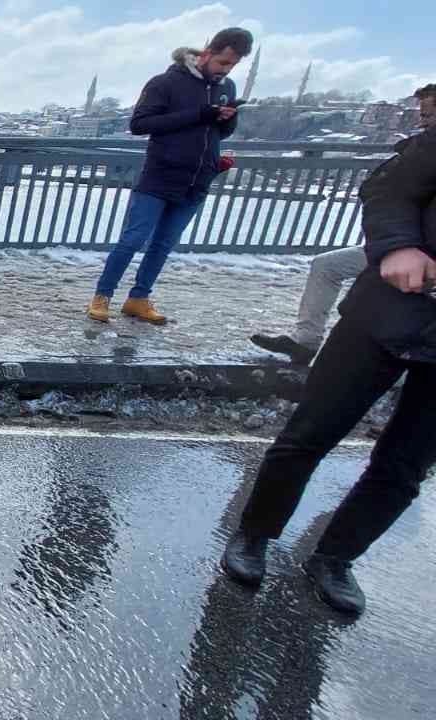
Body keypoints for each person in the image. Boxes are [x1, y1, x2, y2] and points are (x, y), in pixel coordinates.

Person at [220, 119, 436, 615]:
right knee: (309, 433)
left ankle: (336, 558)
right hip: (390, 310)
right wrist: (400, 245)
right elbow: (388, 187)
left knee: (406, 465)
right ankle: (255, 534)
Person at [251, 83, 436, 364]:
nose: (422, 122)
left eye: (428, 115)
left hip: (422, 256)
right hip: (403, 248)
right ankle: (306, 342)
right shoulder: (419, 151)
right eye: (422, 115)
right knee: (327, 265)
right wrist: (397, 244)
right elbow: (383, 192)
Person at [87, 28, 254, 324]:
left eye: (232, 66)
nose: (225, 71)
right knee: (133, 239)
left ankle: (138, 298)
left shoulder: (226, 86)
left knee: (163, 245)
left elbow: (221, 132)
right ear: (206, 54)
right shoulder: (166, 83)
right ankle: (103, 295)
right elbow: (140, 124)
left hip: (197, 180)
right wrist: (200, 114)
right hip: (159, 177)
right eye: (222, 63)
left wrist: (227, 118)